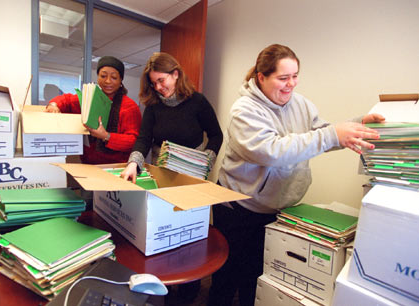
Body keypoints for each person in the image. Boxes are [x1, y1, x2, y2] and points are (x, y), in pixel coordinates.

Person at [207, 44, 385, 306]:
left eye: (295, 76)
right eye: (283, 78)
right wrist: (331, 134)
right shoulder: (244, 110)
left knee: (256, 276)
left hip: (276, 206)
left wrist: (356, 126)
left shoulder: (300, 103)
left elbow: (321, 133)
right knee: (228, 276)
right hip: (239, 207)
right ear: (261, 77)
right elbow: (271, 151)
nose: (291, 84)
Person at [120, 52, 223, 183]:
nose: (158, 87)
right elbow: (144, 139)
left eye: (161, 80)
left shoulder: (198, 101)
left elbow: (216, 135)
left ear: (175, 74)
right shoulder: (153, 105)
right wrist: (133, 163)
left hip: (191, 173)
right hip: (161, 173)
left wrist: (205, 162)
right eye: (153, 83)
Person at [45, 56, 142, 164]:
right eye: (103, 76)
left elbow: (133, 141)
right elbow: (66, 99)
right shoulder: (90, 98)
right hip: (88, 164)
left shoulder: (129, 106)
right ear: (98, 77)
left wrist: (106, 136)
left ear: (120, 81)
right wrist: (53, 105)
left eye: (114, 77)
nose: (108, 81)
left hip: (115, 166)